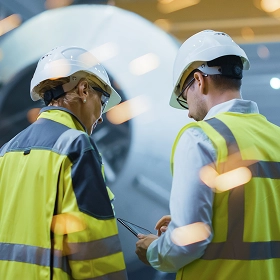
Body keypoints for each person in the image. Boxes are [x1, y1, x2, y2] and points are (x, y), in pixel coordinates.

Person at [135, 30, 280, 279]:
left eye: (184, 98)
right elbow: (260, 214)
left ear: (199, 80)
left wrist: (154, 250)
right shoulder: (275, 136)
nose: (189, 113)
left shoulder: (200, 138)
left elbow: (187, 243)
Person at [0, 46, 128, 279]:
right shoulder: (75, 146)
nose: (101, 116)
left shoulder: (5, 152)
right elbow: (93, 252)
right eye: (104, 100)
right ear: (84, 90)